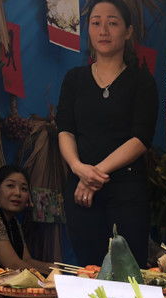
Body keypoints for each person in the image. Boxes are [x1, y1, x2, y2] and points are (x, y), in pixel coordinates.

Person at [56, 0, 159, 268]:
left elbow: (141, 139)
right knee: (87, 272)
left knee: (127, 274)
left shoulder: (142, 81)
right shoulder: (74, 79)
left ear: (128, 32)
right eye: (96, 22)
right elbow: (64, 130)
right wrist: (79, 168)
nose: (104, 30)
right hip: (81, 192)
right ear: (88, 30)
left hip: (126, 191)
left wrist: (95, 174)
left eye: (112, 23)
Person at [0, 165, 52, 276]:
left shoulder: (14, 222)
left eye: (23, 189)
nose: (17, 193)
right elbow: (14, 265)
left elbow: (26, 260)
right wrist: (50, 276)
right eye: (10, 186)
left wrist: (52, 268)